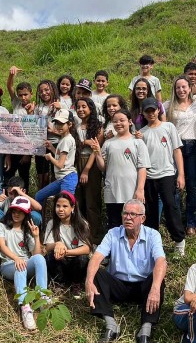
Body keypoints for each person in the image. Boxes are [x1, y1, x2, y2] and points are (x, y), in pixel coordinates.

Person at [85, 199, 166, 343]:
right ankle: (111, 325)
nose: (128, 217)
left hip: (142, 287)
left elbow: (161, 261)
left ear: (142, 218)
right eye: (125, 213)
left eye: (133, 214)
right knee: (97, 274)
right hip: (118, 285)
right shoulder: (113, 233)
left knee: (157, 280)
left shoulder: (152, 235)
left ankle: (145, 331)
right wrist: (88, 281)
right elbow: (96, 258)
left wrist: (155, 289)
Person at [138, 97, 186, 255]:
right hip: (149, 176)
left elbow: (177, 150)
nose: (151, 113)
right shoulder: (141, 133)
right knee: (150, 211)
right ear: (143, 113)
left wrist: (181, 175)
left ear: (159, 110)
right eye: (148, 111)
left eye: (153, 110)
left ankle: (179, 241)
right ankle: (153, 244)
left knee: (170, 206)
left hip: (167, 173)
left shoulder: (168, 127)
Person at [93, 109, 151, 230]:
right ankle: (115, 248)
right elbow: (103, 167)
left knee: (133, 224)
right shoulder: (108, 143)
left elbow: (142, 167)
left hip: (132, 191)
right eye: (115, 121)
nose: (118, 123)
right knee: (114, 224)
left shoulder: (138, 143)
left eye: (122, 120)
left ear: (130, 122)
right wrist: (98, 154)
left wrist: (140, 189)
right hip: (112, 191)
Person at [0, 196, 47, 331]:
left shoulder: (27, 230)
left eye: (20, 212)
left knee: (40, 259)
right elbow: (2, 246)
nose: (16, 214)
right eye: (14, 211)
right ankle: (25, 308)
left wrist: (36, 237)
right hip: (8, 265)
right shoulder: (2, 226)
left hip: (24, 263)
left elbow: (36, 255)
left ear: (26, 214)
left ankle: (42, 296)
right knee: (21, 266)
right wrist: (16, 258)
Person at [164, 76, 196, 235]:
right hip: (175, 147)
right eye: (178, 87)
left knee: (192, 186)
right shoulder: (168, 106)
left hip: (194, 146)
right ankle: (176, 220)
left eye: (184, 87)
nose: (181, 90)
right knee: (176, 186)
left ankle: (191, 222)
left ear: (190, 87)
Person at [43, 191, 92, 293]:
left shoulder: (81, 224)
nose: (60, 209)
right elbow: (47, 247)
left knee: (82, 258)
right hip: (60, 262)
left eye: (65, 206)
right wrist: (57, 243)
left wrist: (66, 252)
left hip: (75, 263)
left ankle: (76, 283)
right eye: (58, 206)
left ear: (72, 208)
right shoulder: (52, 223)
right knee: (49, 257)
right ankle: (58, 282)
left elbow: (87, 248)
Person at [74, 98, 104, 241]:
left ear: (90, 109)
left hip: (91, 165)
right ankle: (80, 234)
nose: (80, 109)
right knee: (78, 200)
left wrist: (86, 170)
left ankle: (94, 237)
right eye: (78, 107)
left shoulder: (98, 127)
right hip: (76, 162)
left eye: (84, 107)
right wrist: (85, 142)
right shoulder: (75, 126)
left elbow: (95, 150)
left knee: (92, 201)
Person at [34, 109, 78, 205]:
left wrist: (50, 157)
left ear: (69, 124)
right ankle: (39, 218)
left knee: (65, 204)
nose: (59, 126)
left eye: (62, 124)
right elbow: (61, 156)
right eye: (57, 123)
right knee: (39, 196)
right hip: (62, 178)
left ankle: (73, 220)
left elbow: (60, 164)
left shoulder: (67, 140)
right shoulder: (64, 138)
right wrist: (52, 148)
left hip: (67, 177)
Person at [4, 66, 34, 192]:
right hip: (13, 145)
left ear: (31, 94)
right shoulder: (16, 103)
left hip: (25, 148)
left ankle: (24, 198)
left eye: (26, 95)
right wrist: (12, 75)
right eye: (20, 95)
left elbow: (34, 133)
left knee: (24, 176)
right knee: (8, 173)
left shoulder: (35, 108)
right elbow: (9, 87)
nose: (23, 97)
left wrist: (28, 154)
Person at [33, 79, 59, 190]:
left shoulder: (60, 105)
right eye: (41, 91)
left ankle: (56, 202)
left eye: (46, 90)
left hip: (56, 144)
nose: (44, 93)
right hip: (41, 144)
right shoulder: (38, 108)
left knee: (56, 174)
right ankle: (42, 203)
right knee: (42, 175)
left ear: (53, 89)